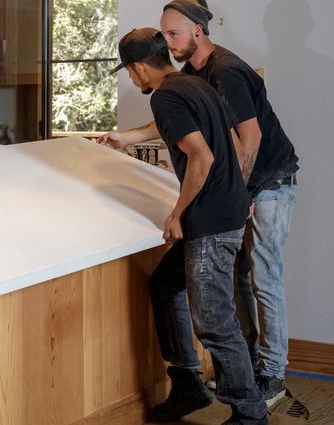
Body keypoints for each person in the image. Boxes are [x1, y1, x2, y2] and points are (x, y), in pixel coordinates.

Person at [100, 28, 267, 424]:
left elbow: (201, 157)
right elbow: (215, 136)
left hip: (210, 220)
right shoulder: (193, 84)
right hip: (226, 211)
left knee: (214, 322)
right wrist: (126, 137)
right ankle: (188, 383)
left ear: (140, 68)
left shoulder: (165, 96)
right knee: (164, 285)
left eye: (130, 71)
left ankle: (249, 413)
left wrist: (177, 213)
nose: (132, 78)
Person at [161, 0, 299, 406]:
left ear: (197, 30)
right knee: (237, 277)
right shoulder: (192, 72)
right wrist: (126, 137)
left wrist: (240, 194)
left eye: (173, 33)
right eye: (164, 34)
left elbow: (251, 138)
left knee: (265, 277)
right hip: (246, 187)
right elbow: (183, 119)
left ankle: (272, 375)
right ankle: (248, 370)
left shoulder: (227, 71)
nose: (168, 42)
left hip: (270, 183)